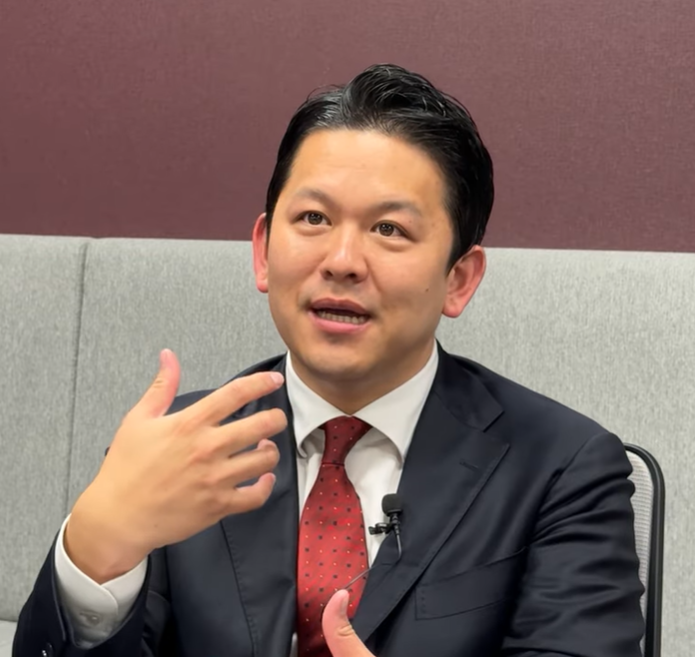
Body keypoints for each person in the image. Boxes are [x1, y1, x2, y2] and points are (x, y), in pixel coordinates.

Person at [13, 64, 644, 657]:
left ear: (459, 279)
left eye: (389, 229)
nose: (342, 261)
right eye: (313, 218)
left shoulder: (563, 467)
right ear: (263, 251)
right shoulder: (181, 450)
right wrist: (95, 553)